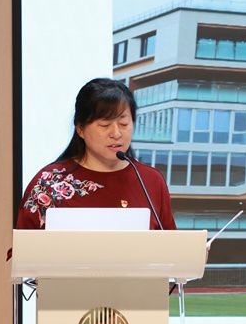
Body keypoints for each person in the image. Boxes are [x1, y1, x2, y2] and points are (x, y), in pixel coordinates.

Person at [16, 78, 176, 230]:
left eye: (123, 123)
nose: (116, 133)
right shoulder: (48, 183)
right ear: (80, 129)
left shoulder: (150, 181)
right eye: (105, 124)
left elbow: (170, 244)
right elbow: (22, 246)